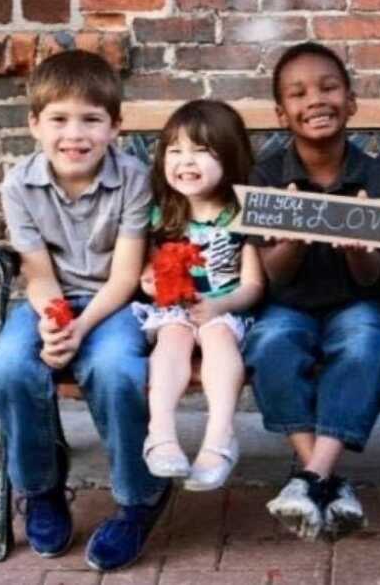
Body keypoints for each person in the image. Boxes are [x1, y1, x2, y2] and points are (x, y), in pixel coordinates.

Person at [0, 49, 170, 572]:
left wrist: (82, 326)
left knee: (115, 369)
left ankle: (139, 496)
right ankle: (41, 488)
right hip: (52, 298)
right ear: (35, 124)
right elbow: (38, 273)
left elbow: (128, 276)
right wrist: (53, 320)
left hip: (113, 304)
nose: (75, 134)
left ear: (115, 126)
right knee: (8, 365)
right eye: (59, 119)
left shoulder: (132, 178)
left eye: (91, 120)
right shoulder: (19, 185)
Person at [243, 42, 380, 540]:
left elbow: (376, 277)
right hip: (288, 305)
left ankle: (307, 478)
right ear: (281, 113)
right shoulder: (266, 177)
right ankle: (326, 479)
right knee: (269, 345)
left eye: (330, 88)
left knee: (366, 343)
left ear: (351, 101)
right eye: (299, 93)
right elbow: (274, 276)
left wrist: (359, 249)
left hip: (355, 304)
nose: (316, 100)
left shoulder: (375, 176)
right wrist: (291, 239)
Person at [131, 100, 264, 491]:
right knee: (173, 336)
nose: (185, 162)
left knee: (218, 336)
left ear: (230, 156)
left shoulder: (244, 214)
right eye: (175, 151)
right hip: (176, 308)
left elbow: (254, 285)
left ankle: (220, 436)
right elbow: (149, 267)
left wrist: (218, 305)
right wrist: (150, 281)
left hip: (226, 307)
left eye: (201, 151)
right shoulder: (165, 213)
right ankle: (161, 434)